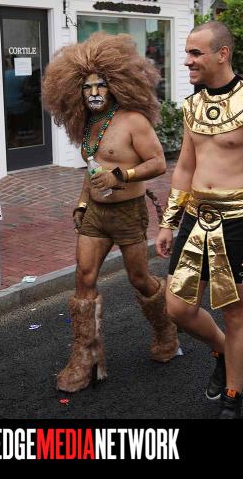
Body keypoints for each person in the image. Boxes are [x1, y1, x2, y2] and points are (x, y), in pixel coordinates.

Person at [155, 21, 243, 419]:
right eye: (188, 53)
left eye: (196, 53)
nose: (187, 61)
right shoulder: (191, 106)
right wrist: (168, 221)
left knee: (235, 314)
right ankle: (223, 351)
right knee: (177, 308)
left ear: (222, 54)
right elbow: (184, 167)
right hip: (195, 218)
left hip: (241, 223)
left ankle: (232, 396)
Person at [42, 32, 180, 393]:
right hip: (95, 215)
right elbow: (92, 169)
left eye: (99, 85)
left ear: (115, 84)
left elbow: (158, 163)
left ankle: (165, 329)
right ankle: (85, 357)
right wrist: (81, 203)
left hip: (128, 214)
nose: (93, 93)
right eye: (86, 87)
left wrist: (121, 175)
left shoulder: (133, 120)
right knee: (83, 278)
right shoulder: (88, 124)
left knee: (140, 279)